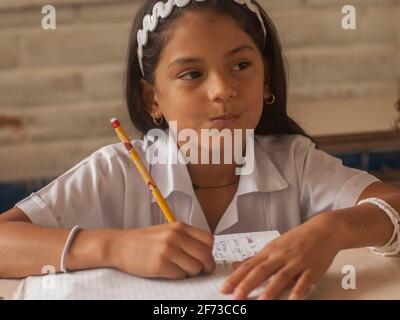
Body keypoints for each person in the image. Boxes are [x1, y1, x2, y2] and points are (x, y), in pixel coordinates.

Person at [1, 0, 399, 300]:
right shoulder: (117, 171)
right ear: (152, 98)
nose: (222, 90)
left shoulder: (294, 162)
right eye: (192, 74)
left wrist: (330, 231)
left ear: (265, 80)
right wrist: (114, 247)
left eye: (241, 66)